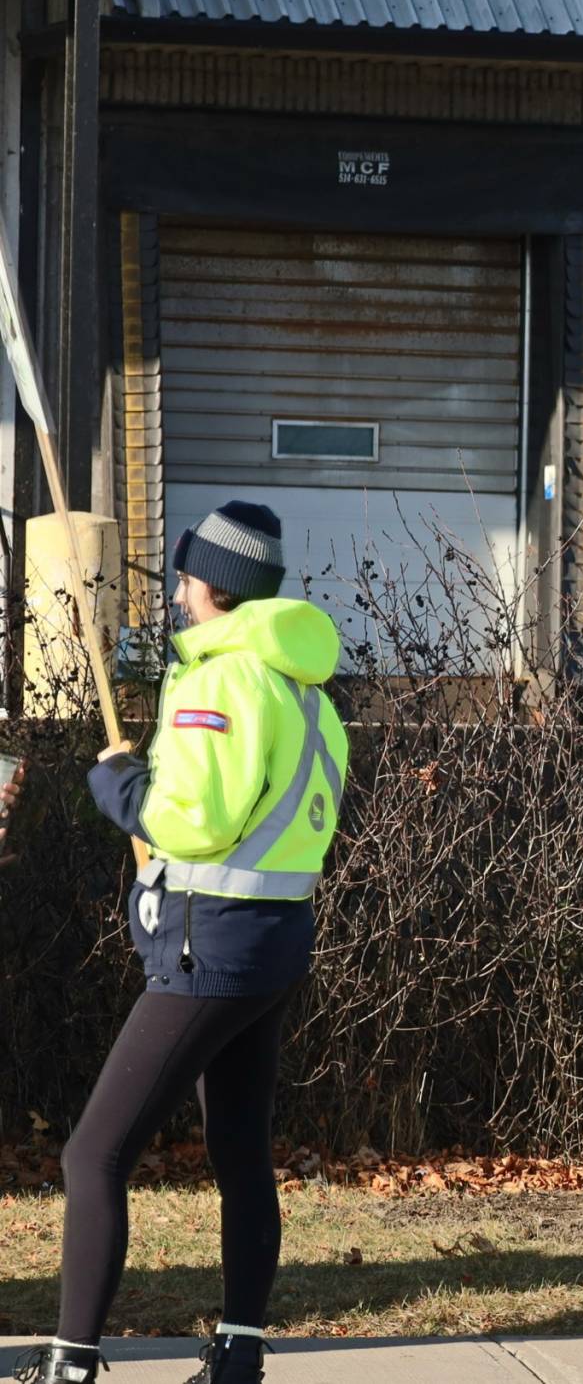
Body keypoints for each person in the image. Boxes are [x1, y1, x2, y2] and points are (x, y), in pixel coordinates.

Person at [11, 503, 347, 1384]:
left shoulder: (221, 679)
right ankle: (238, 1351)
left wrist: (124, 790)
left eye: (185, 575)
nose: (176, 591)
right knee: (241, 1150)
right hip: (274, 942)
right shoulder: (305, 688)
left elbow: (195, 819)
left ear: (214, 586)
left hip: (212, 949)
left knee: (94, 1152)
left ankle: (70, 1362)